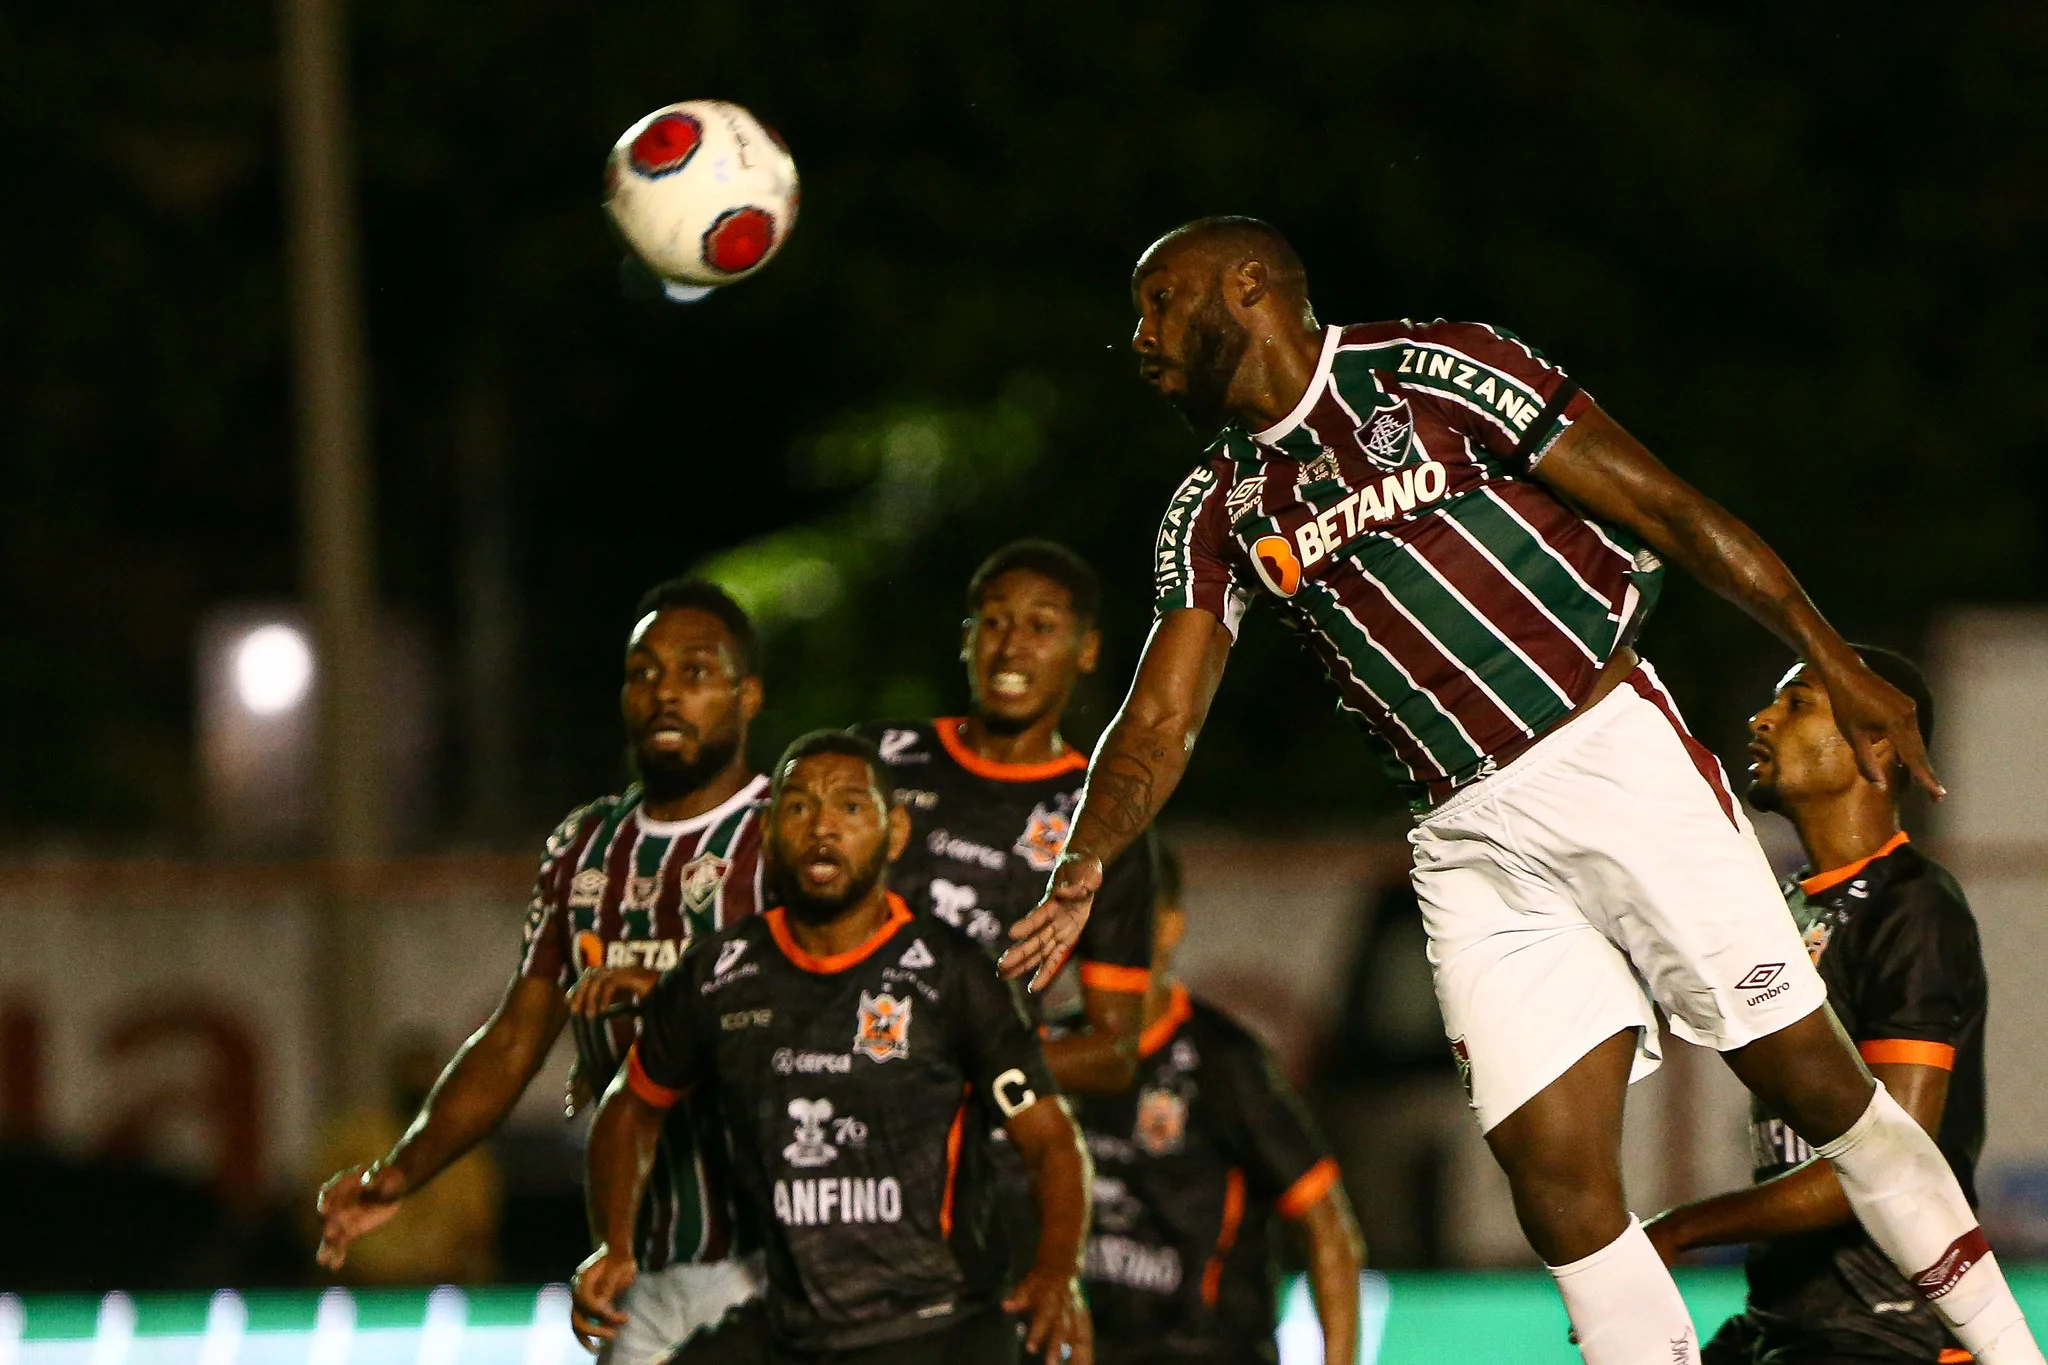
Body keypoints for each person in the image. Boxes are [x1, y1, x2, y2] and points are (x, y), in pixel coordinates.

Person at [997, 215, 2041, 1365]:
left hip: (1604, 756)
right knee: (1550, 1179)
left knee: (1822, 1095)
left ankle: (2006, 1352)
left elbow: (1666, 512)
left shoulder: (1436, 369)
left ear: (1243, 289)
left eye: (1155, 305)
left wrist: (1828, 653)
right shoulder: (1211, 509)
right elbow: (1157, 717)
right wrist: (1086, 856)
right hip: (1461, 835)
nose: (1137, 337)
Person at [315, 578, 771, 1364]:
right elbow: (514, 1040)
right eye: (644, 673)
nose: (665, 693)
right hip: (633, 1267)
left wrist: (674, 1001)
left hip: (772, 1255)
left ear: (747, 695)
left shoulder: (789, 831)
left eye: (694, 672)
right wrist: (401, 1172)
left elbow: (841, 1014)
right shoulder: (585, 846)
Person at [571, 731, 1092, 1365]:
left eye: (849, 807)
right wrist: (614, 1245)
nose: (822, 827)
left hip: (941, 1330)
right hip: (800, 1333)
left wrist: (1056, 1271)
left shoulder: (954, 975)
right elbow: (631, 1108)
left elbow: (1051, 1141)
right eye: (798, 806)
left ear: (894, 832)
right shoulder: (718, 976)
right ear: (767, 832)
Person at [1646, 650, 1988, 1365]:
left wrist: (1677, 1229)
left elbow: (1895, 1160)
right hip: (1785, 1322)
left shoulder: (1913, 907)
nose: (1761, 718)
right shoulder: (1784, 907)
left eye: (1797, 704)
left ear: (1879, 742)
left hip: (1891, 1336)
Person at [857, 540, 1156, 1092]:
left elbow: (1114, 1050)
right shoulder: (881, 757)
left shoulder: (1102, 819)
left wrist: (956, 1072)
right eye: (994, 623)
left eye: (1041, 627)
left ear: (1086, 649)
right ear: (967, 639)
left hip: (969, 1147)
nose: (1012, 648)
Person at [1076, 843, 1364, 1365]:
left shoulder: (1223, 1062)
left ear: (1168, 926)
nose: (1108, 934)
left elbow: (1326, 1224)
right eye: (1093, 913)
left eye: (1127, 913)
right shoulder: (1056, 1049)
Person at [310, 1033, 500, 1285]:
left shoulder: (464, 1147)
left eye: (424, 1075)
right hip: (363, 1287)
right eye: (409, 1075)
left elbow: (479, 1229)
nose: (416, 1083)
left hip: (443, 1287)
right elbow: (316, 1211)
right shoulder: (353, 1136)